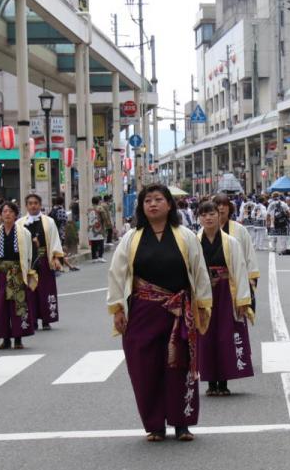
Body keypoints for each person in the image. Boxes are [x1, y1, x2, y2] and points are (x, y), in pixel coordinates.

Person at [107, 184, 213, 442]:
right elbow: (117, 274)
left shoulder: (185, 236)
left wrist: (201, 305)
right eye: (147, 201)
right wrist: (118, 308)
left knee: (180, 365)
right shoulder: (131, 238)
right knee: (144, 367)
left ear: (168, 204)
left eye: (158, 199)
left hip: (179, 310)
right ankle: (154, 424)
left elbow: (199, 271)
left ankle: (182, 423)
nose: (152, 204)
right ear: (142, 207)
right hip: (143, 310)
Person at [194, 200, 254, 397]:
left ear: (219, 216)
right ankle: (211, 382)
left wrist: (243, 299)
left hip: (226, 292)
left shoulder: (231, 242)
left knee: (225, 335)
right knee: (206, 336)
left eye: (211, 213)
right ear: (199, 218)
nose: (208, 217)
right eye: (203, 214)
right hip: (204, 294)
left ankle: (224, 381)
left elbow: (239, 270)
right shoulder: (194, 242)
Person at [0, 202, 36, 350]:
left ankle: (18, 338)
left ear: (15, 214)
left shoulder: (24, 233)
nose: (7, 214)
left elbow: (29, 255)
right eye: (4, 211)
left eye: (10, 211)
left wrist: (28, 273)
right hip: (0, 274)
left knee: (18, 307)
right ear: (1, 215)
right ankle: (5, 339)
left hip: (17, 274)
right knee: (0, 308)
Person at [23, 193, 65, 330]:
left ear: (40, 205)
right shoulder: (20, 223)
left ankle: (46, 319)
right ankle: (32, 319)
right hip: (28, 262)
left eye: (36, 203)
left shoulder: (48, 222)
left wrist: (56, 258)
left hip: (44, 260)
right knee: (30, 291)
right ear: (26, 206)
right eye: (30, 203)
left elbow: (54, 240)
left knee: (46, 290)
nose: (33, 205)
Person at [86, 196, 107, 262]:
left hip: (91, 227)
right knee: (100, 242)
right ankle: (100, 256)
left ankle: (94, 257)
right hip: (99, 227)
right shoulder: (100, 208)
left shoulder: (89, 209)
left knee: (93, 243)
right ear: (98, 201)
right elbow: (104, 217)